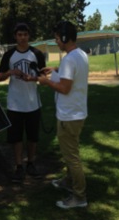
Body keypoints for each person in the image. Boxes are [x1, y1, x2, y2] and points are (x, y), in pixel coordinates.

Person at [38, 21, 89, 209]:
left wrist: (46, 82)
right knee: (71, 152)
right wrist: (55, 70)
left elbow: (64, 88)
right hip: (78, 113)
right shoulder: (80, 55)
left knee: (71, 157)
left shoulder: (69, 59)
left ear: (66, 38)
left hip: (69, 116)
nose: (56, 41)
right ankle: (68, 181)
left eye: (58, 38)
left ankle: (79, 196)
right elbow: (70, 75)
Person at [0, 23, 46, 183]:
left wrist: (33, 77)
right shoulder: (9, 55)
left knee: (32, 136)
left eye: (25, 34)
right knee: (16, 137)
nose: (22, 37)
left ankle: (30, 163)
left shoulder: (37, 54)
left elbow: (44, 77)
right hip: (15, 103)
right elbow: (0, 77)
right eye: (19, 35)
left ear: (29, 36)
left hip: (32, 102)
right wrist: (11, 72)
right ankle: (19, 166)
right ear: (15, 36)